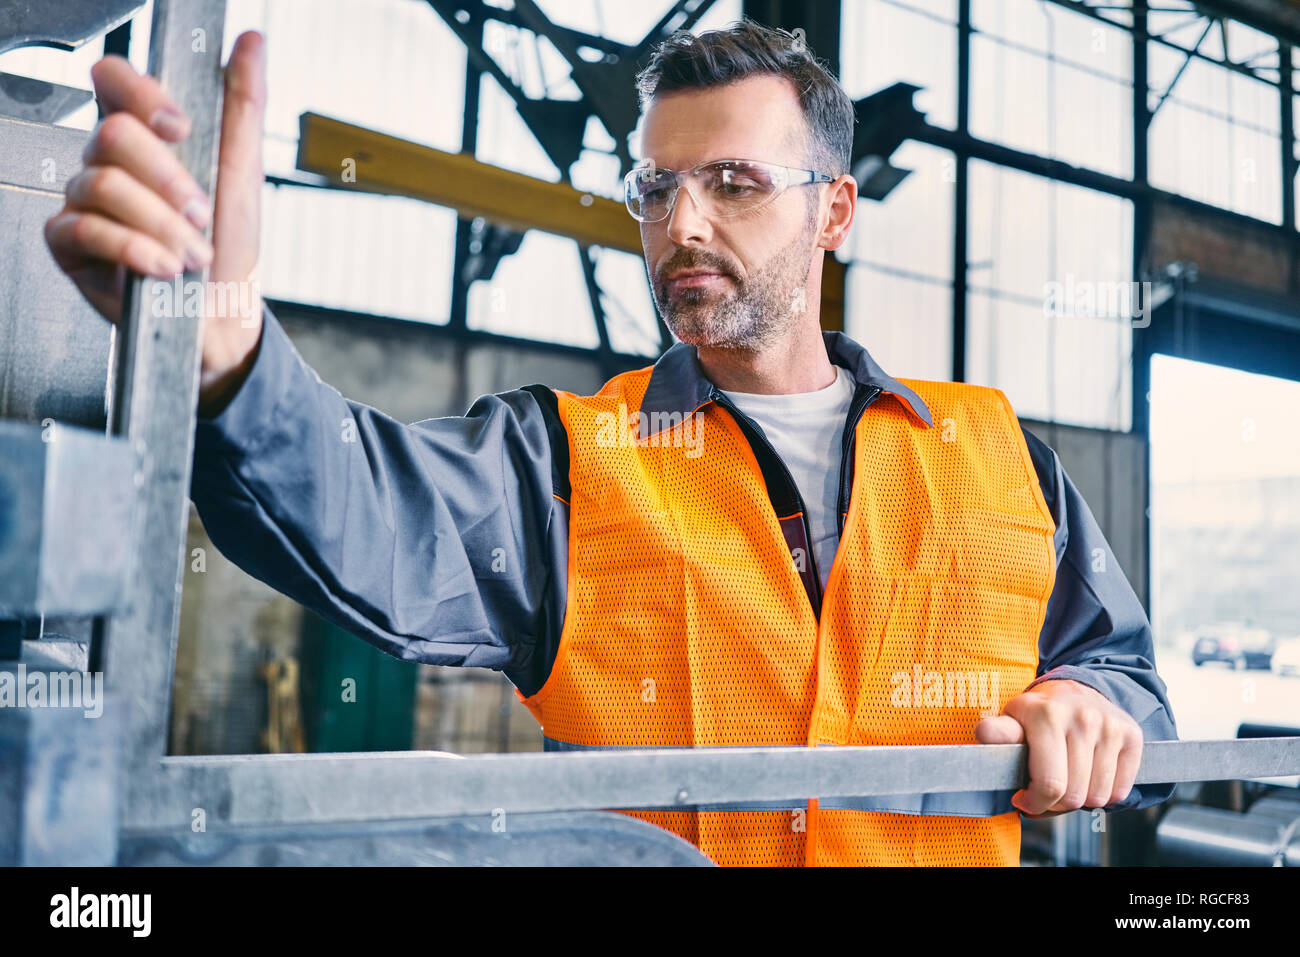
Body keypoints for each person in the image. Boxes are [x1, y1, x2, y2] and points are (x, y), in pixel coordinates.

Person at [45, 19, 1177, 866]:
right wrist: (234, 360)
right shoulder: (568, 464)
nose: (680, 224)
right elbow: (369, 511)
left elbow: (1124, 674)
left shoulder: (996, 452)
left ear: (832, 212)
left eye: (734, 184)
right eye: (655, 188)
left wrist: (1091, 703)